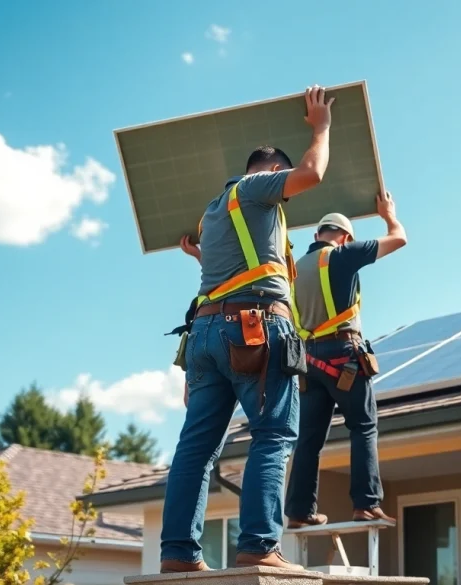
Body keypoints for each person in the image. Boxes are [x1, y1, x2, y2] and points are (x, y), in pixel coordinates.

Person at [159, 85, 335, 573]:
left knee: (197, 448)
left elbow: (231, 272)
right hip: (254, 331)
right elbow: (312, 173)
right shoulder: (257, 188)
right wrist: (320, 127)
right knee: (273, 433)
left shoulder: (215, 211)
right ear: (272, 170)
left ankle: (178, 554)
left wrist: (198, 255)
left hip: (207, 336)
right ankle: (259, 544)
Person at [283, 191, 407, 529]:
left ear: (316, 235)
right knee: (363, 426)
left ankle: (299, 511)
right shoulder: (342, 254)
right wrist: (389, 215)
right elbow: (399, 238)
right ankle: (366, 503)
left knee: (308, 440)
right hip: (343, 357)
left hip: (308, 363)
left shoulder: (293, 270)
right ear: (345, 237)